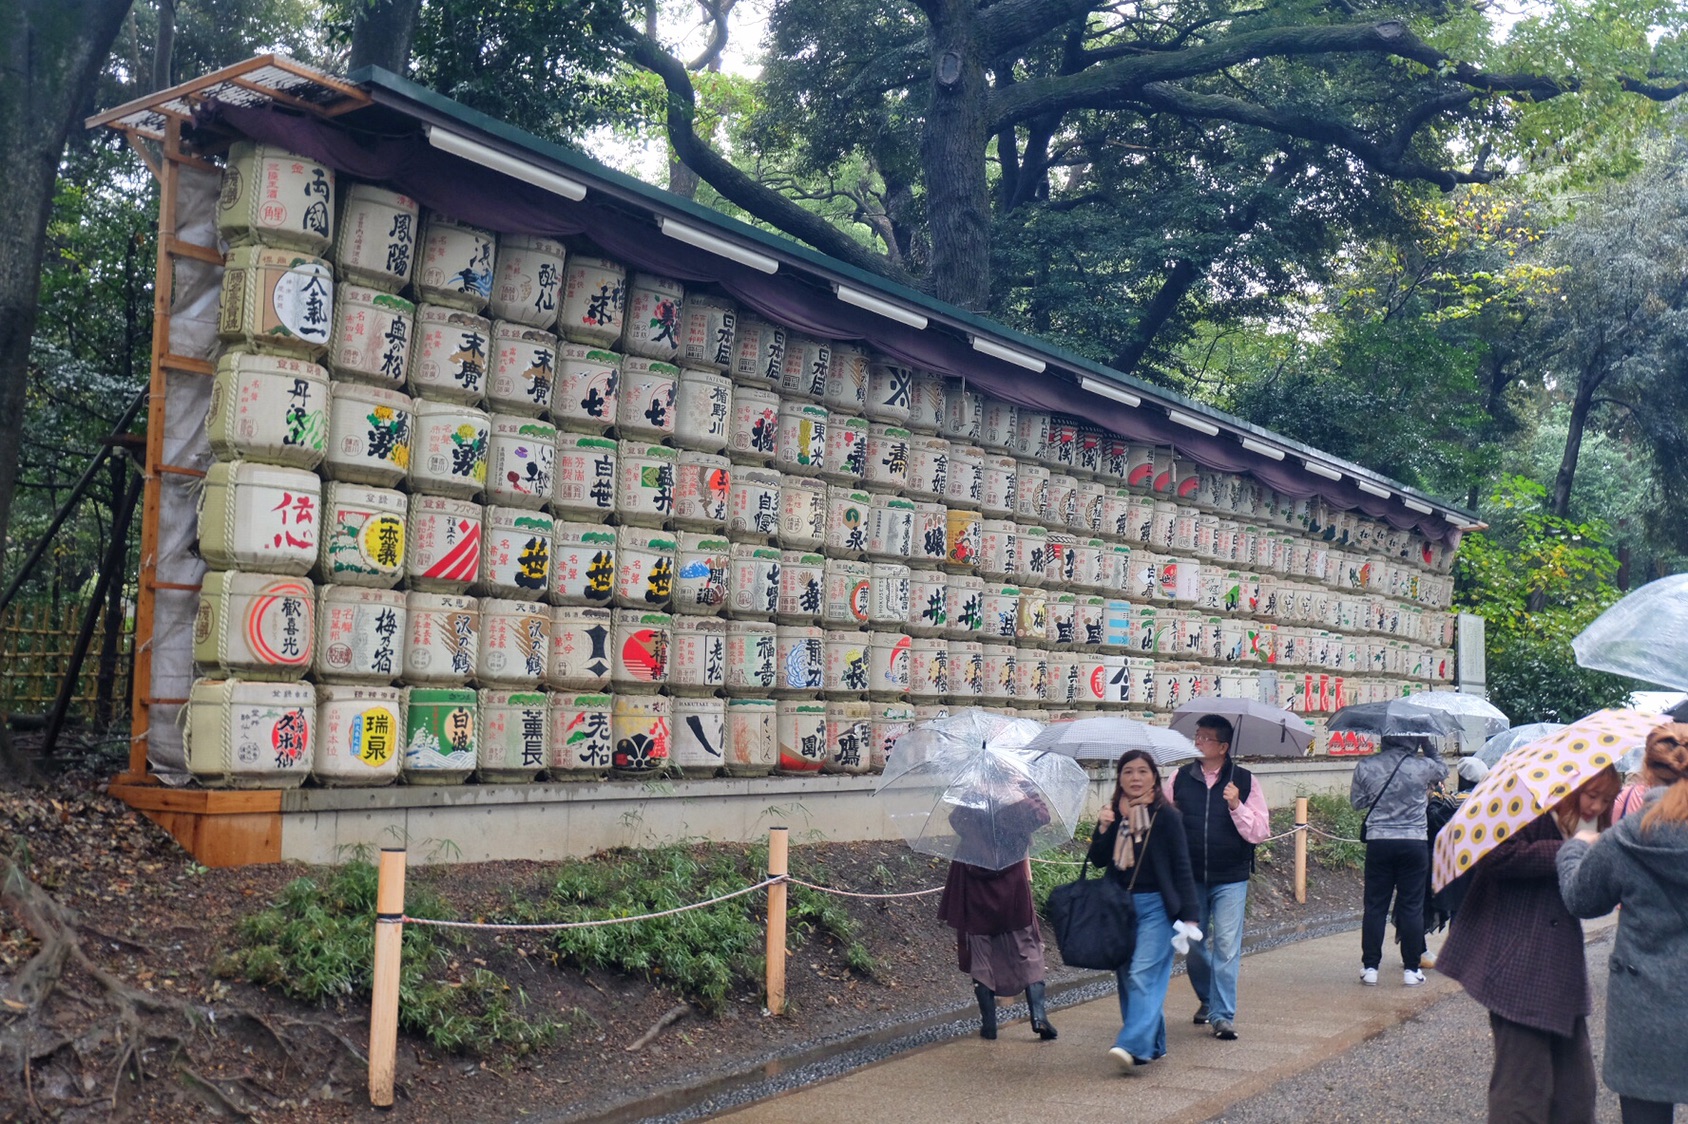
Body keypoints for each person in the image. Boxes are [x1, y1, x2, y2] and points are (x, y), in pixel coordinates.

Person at [1436, 765, 1621, 1123]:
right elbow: (1493, 856)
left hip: (1560, 967)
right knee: (1522, 1089)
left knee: (1576, 1092)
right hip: (1515, 961)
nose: (1597, 806)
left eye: (1606, 799)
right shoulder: (1527, 804)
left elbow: (1588, 898)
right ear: (1571, 788)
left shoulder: (1593, 828)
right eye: (1591, 795)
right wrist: (1566, 849)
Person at [1558, 723, 1688, 1124]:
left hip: (1644, 1012)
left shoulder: (1626, 838)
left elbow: (1581, 898)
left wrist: (1574, 849)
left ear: (1646, 770)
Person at [1089, 749, 1201, 1070]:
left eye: (1142, 771)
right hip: (1119, 905)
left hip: (1157, 907)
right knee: (1126, 976)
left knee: (1142, 974)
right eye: (1127, 772)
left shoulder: (1167, 816)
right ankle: (1154, 1044)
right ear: (1119, 778)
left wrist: (1190, 913)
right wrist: (1103, 828)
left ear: (1154, 776)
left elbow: (1182, 866)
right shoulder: (1113, 812)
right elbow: (1099, 859)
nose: (1135, 778)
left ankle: (1131, 1043)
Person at [1164, 714, 1269, 1041]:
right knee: (1193, 945)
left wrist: (1237, 805)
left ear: (1223, 747)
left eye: (1206, 738)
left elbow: (1260, 832)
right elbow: (1162, 821)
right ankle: (1208, 999)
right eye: (1197, 736)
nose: (1198, 743)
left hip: (1231, 877)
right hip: (1190, 877)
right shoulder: (1179, 778)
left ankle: (1222, 1016)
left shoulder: (1246, 782)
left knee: (1226, 947)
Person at [937, 785, 1058, 1041]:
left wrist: (982, 795)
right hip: (1010, 877)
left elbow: (957, 821)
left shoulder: (976, 790)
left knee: (979, 946)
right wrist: (1020, 794)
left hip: (974, 875)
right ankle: (1038, 1015)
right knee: (1026, 943)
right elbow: (1041, 816)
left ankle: (989, 1023)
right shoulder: (1017, 791)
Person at [1349, 734, 1448, 986]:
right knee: (1411, 905)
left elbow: (1357, 803)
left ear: (1385, 738)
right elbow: (1443, 770)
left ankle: (1370, 967)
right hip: (1413, 842)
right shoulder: (1422, 766)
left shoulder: (1366, 766)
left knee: (1374, 905)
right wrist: (1427, 744)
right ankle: (1412, 969)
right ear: (1412, 740)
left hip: (1379, 842)